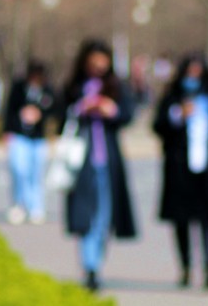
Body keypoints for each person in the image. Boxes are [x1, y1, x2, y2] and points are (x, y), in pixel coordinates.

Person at [153, 55, 208, 291]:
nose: (193, 79)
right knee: (181, 221)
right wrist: (178, 115)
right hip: (180, 169)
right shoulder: (173, 98)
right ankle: (186, 267)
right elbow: (158, 126)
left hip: (207, 169)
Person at [63, 40, 138, 292]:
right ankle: (90, 265)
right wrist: (81, 107)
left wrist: (111, 110)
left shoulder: (116, 87)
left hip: (107, 161)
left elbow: (128, 115)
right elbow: (59, 112)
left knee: (105, 216)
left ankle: (96, 260)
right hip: (80, 162)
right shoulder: (74, 87)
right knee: (84, 214)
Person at [3, 60, 56, 224]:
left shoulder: (47, 90)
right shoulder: (19, 88)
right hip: (20, 136)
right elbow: (9, 109)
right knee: (19, 170)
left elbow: (56, 109)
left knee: (36, 173)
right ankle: (19, 204)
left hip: (38, 138)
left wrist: (41, 114)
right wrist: (7, 131)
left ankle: (36, 207)